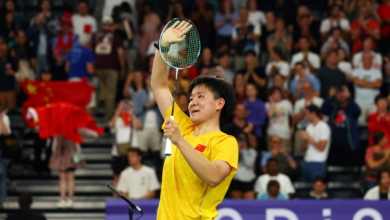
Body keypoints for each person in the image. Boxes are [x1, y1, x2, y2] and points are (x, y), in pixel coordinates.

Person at [152, 20, 238, 219]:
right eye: (191, 98)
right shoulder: (184, 126)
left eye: (200, 97)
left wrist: (180, 141)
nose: (192, 103)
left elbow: (214, 177)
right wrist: (162, 47)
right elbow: (159, 86)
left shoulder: (225, 142)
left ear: (219, 104)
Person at [92, 15, 125, 123]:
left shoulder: (95, 36)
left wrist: (92, 65)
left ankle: (93, 116)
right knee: (110, 94)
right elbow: (120, 53)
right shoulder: (116, 36)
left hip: (98, 68)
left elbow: (91, 51)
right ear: (111, 25)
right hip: (112, 68)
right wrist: (122, 68)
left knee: (98, 92)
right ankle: (108, 118)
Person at [321, 86, 361, 166]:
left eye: (343, 93)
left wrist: (349, 97)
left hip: (349, 145)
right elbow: (323, 109)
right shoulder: (333, 107)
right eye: (338, 93)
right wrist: (329, 96)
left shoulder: (351, 108)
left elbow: (358, 111)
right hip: (334, 145)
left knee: (350, 169)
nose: (341, 95)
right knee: (333, 168)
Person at [109, 100, 142, 195]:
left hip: (131, 152)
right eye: (123, 106)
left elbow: (139, 126)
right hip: (118, 152)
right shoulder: (117, 119)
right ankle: (116, 199)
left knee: (133, 174)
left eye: (127, 106)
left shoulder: (133, 120)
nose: (125, 108)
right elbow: (111, 125)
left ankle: (133, 196)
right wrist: (118, 112)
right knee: (117, 177)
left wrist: (131, 114)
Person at [49, 135, 85, 208]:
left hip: (63, 154)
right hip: (69, 154)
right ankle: (69, 200)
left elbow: (54, 145)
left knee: (64, 179)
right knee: (69, 178)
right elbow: (77, 143)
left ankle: (63, 199)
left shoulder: (58, 129)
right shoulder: (72, 127)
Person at [133, 74, 163, 154]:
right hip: (143, 127)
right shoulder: (140, 93)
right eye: (150, 79)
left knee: (156, 151)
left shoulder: (160, 94)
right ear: (146, 81)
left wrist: (157, 102)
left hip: (156, 127)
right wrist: (148, 104)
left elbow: (165, 111)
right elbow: (136, 111)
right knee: (142, 151)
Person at [301, 105, 331, 182]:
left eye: (307, 113)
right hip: (307, 160)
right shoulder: (309, 127)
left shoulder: (324, 127)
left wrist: (308, 138)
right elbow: (304, 148)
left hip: (318, 162)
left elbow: (321, 147)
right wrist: (304, 140)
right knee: (306, 187)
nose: (305, 116)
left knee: (318, 186)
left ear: (314, 113)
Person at [351, 52, 382, 126]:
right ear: (362, 60)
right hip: (360, 103)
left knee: (375, 125)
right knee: (360, 124)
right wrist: (372, 84)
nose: (368, 60)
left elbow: (378, 84)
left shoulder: (377, 72)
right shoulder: (356, 71)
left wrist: (363, 83)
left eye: (370, 58)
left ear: (372, 60)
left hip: (373, 104)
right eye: (366, 58)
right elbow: (357, 82)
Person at [293, 81, 324, 153]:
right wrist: (304, 112)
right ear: (302, 90)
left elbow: (322, 117)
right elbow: (294, 120)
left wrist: (313, 111)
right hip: (302, 130)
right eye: (304, 88)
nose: (307, 90)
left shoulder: (320, 101)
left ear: (312, 89)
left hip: (316, 130)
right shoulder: (298, 103)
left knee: (315, 152)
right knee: (299, 153)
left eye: (308, 88)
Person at [52, 12, 78, 80]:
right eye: (64, 26)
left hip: (71, 65)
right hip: (60, 64)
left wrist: (71, 50)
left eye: (67, 26)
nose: (65, 28)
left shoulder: (75, 37)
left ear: (70, 27)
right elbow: (54, 52)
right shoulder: (56, 39)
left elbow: (78, 51)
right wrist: (58, 58)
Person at [230, 132, 257, 199]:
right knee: (237, 203)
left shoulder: (252, 151)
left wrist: (244, 150)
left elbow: (249, 164)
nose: (242, 141)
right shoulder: (232, 151)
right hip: (236, 179)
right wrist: (237, 149)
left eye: (243, 139)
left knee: (249, 204)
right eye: (240, 139)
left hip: (249, 180)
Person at [266, 87, 293, 152]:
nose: (277, 95)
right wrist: (272, 102)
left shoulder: (286, 103)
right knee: (272, 155)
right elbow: (270, 114)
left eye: (278, 93)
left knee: (284, 154)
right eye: (274, 93)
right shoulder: (267, 105)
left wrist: (292, 127)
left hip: (284, 134)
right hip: (272, 134)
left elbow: (292, 116)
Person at [243, 84, 266, 148]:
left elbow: (262, 120)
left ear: (256, 91)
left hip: (257, 131)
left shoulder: (260, 103)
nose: (250, 91)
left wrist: (252, 124)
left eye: (252, 89)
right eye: (248, 89)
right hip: (244, 128)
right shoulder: (243, 103)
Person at [0, 42, 16, 109]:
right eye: (2, 50)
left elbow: (17, 72)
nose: (4, 52)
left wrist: (13, 73)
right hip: (0, 91)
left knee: (12, 111)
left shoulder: (11, 60)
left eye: (6, 50)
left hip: (11, 90)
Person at [0, 108, 10, 209]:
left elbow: (5, 132)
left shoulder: (4, 117)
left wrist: (1, 118)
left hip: (0, 153)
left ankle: (2, 200)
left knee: (2, 177)